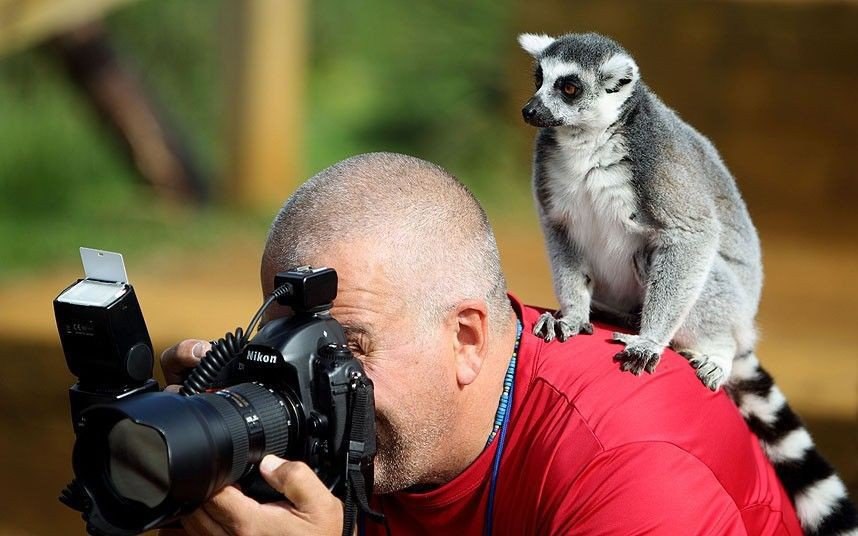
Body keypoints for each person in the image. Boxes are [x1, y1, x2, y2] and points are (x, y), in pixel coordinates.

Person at [161, 152, 802, 535]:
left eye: (345, 346)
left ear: (468, 337)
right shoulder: (361, 436)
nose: (310, 381)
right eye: (290, 340)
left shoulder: (626, 460)